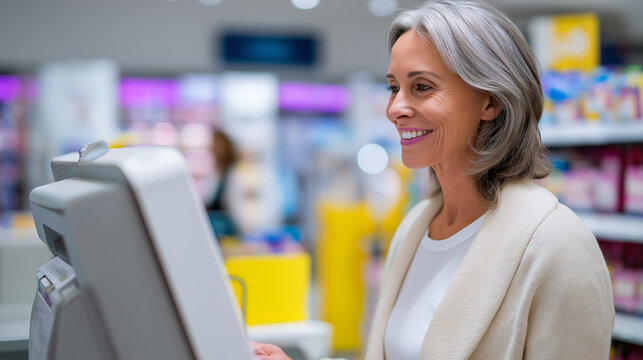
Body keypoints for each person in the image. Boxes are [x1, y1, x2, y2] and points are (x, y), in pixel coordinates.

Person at [252, 1, 614, 359]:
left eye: (422, 87)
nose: (395, 109)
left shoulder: (558, 245)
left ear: (489, 101)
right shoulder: (416, 228)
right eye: (394, 87)